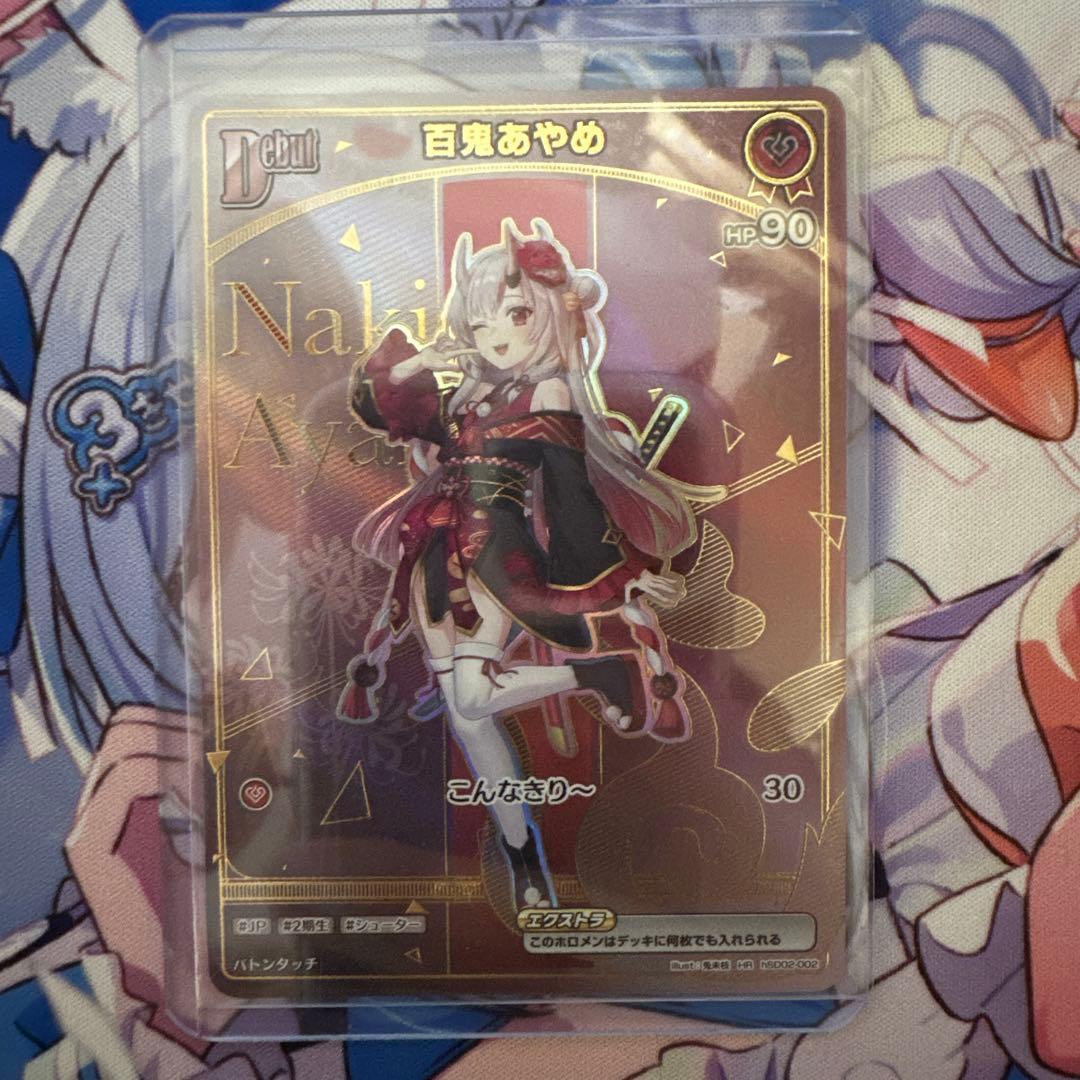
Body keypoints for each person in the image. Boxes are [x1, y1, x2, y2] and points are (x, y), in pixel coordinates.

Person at [339, 217, 695, 911]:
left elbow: (571, 491)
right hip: (433, 551)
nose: (495, 334)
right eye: (480, 320)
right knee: (468, 715)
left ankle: (599, 674)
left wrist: (623, 574)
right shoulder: (472, 392)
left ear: (552, 315)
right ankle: (523, 857)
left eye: (516, 314)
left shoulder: (549, 394)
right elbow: (385, 410)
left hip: (497, 555)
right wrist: (419, 361)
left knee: (474, 699)